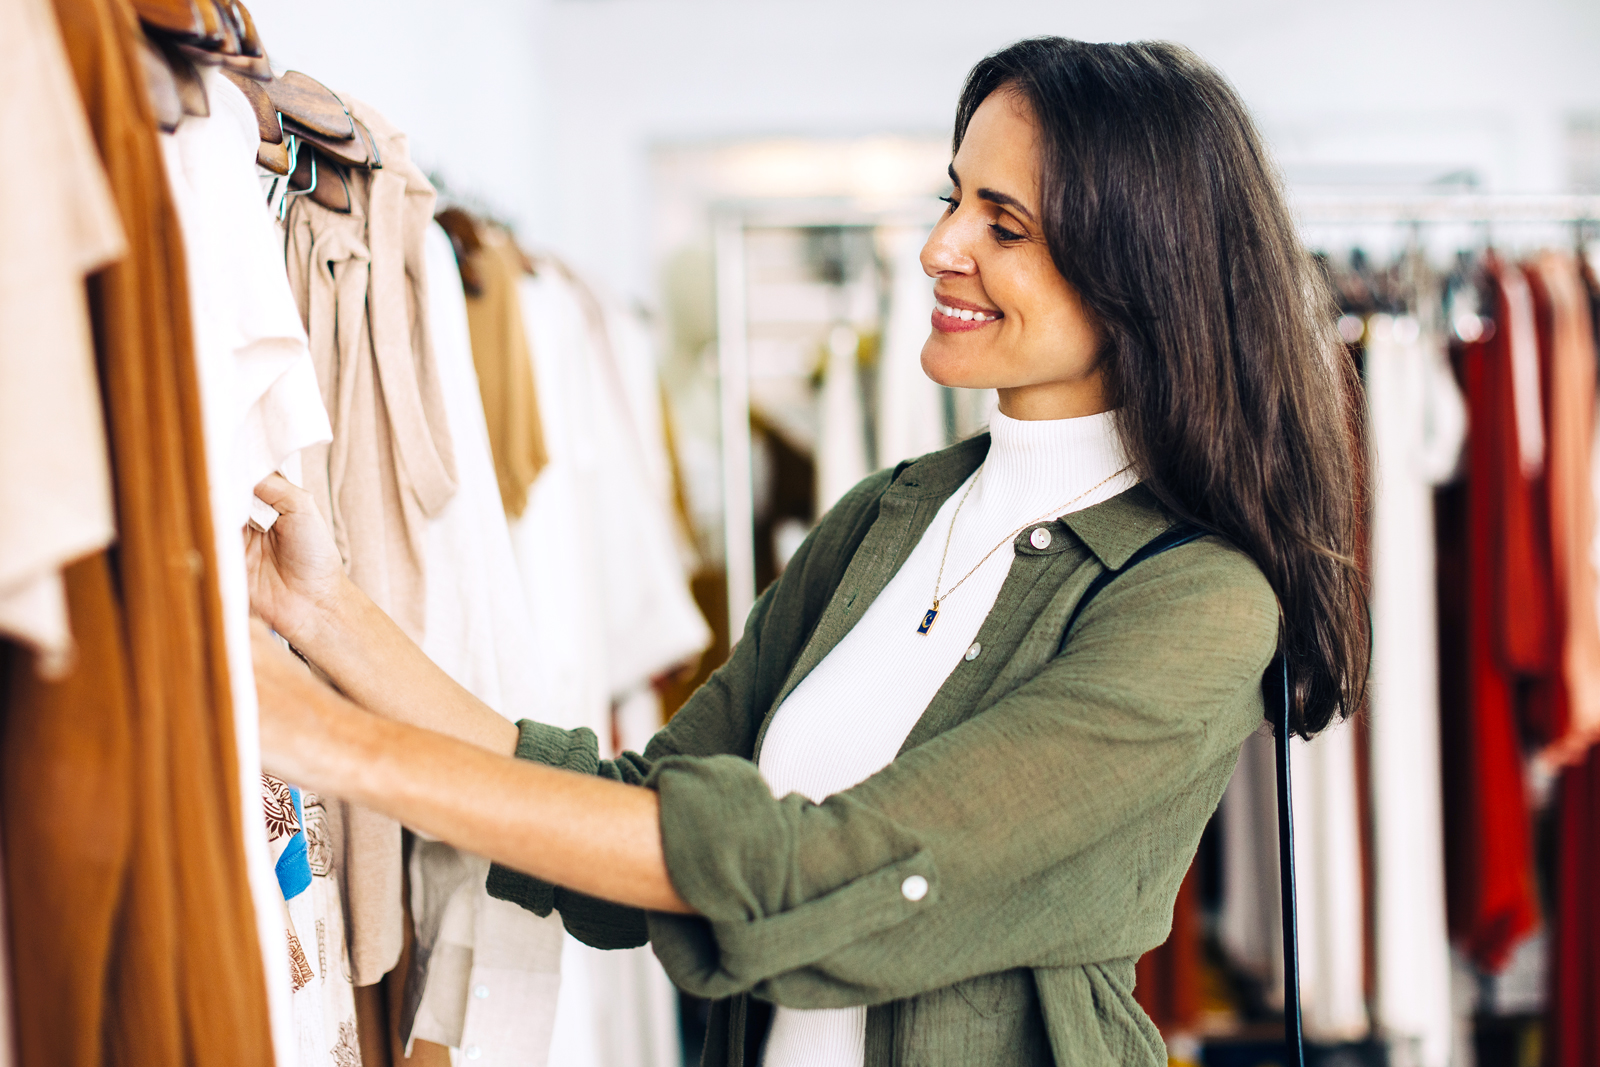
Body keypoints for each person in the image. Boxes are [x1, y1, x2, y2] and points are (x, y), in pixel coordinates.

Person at [248, 36, 1366, 1067]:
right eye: (951, 199)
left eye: (1003, 224)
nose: (938, 247)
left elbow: (828, 869)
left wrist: (339, 748)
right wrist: (329, 616)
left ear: (1142, 273)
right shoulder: (893, 514)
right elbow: (646, 803)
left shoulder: (1196, 601)